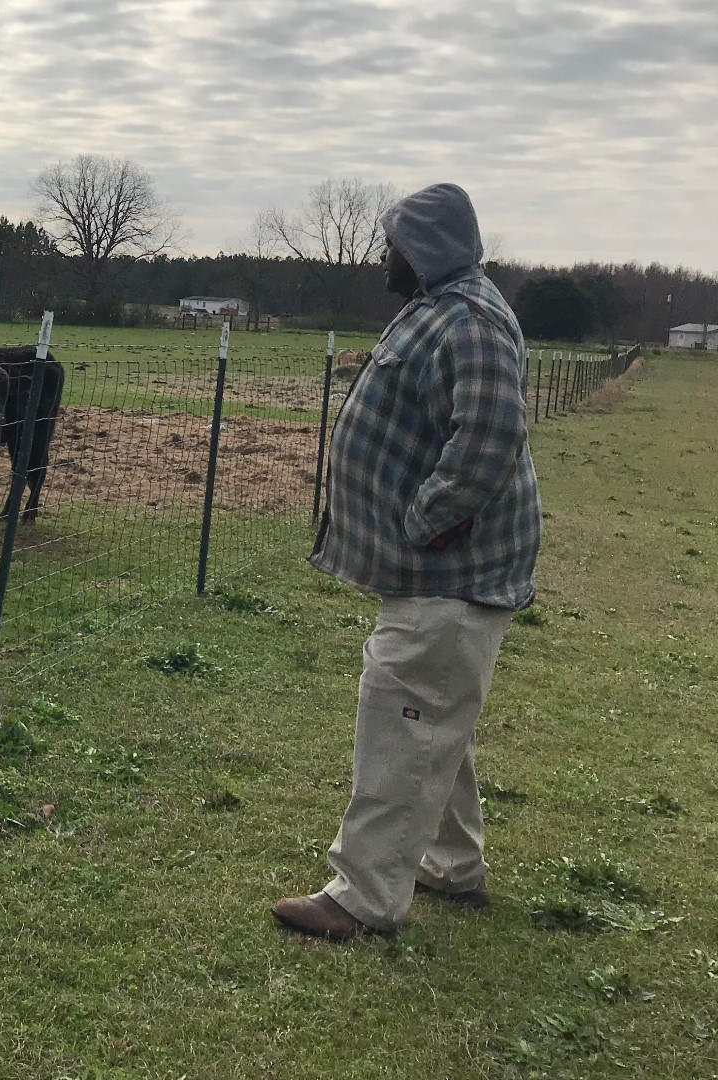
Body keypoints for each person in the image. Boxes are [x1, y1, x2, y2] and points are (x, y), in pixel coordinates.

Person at [274, 183, 541, 941]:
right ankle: (451, 867)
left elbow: (489, 433)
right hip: (438, 571)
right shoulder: (440, 306)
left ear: (424, 248)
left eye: (391, 244)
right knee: (434, 712)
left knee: (404, 715)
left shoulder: (470, 318)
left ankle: (363, 897)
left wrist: (426, 522)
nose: (382, 258)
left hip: (450, 569)